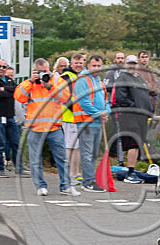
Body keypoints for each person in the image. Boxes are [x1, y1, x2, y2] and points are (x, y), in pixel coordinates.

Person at [14, 58, 78, 197]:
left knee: (62, 158)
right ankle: (40, 186)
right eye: (40, 71)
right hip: (35, 128)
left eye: (46, 71)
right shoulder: (29, 83)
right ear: (35, 71)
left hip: (54, 127)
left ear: (50, 69)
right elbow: (19, 97)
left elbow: (66, 97)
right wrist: (31, 81)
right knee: (35, 159)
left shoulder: (56, 80)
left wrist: (50, 87)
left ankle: (66, 186)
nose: (44, 74)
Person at [112, 55, 152, 184]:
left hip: (141, 117)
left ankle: (132, 170)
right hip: (130, 117)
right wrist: (135, 108)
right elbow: (121, 98)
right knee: (132, 143)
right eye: (130, 63)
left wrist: (148, 109)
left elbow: (145, 95)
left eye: (134, 63)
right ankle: (129, 173)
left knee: (137, 144)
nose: (132, 66)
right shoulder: (122, 78)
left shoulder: (138, 77)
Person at [74, 55, 111, 193]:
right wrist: (98, 113)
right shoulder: (82, 80)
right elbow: (84, 102)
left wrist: (106, 112)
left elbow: (106, 101)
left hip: (97, 123)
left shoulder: (100, 82)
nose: (96, 68)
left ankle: (90, 179)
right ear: (88, 66)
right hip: (85, 122)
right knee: (87, 153)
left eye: (98, 66)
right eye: (94, 66)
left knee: (94, 153)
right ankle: (88, 182)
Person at [0, 58, 20, 177]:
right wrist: (7, 90)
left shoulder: (9, 80)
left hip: (10, 116)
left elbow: (15, 90)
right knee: (0, 143)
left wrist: (5, 89)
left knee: (16, 142)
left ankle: (19, 168)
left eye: (4, 67)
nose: (1, 69)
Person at [61, 52, 86, 184]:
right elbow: (66, 98)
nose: (78, 65)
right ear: (71, 64)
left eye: (80, 63)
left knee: (77, 147)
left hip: (80, 117)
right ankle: (70, 174)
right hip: (69, 117)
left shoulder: (82, 76)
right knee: (70, 147)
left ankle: (76, 173)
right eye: (76, 63)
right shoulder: (67, 77)